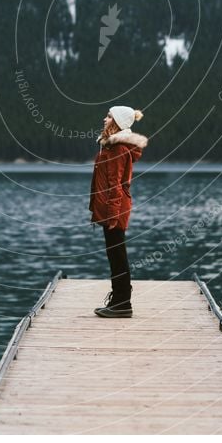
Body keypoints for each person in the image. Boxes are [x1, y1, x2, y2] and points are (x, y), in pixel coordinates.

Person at [89, 105, 148, 317]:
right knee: (114, 253)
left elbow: (115, 184)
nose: (104, 119)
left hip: (114, 208)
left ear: (118, 123)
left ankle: (123, 303)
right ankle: (118, 299)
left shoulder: (119, 148)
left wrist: (112, 214)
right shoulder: (110, 146)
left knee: (117, 255)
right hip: (109, 207)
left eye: (109, 116)